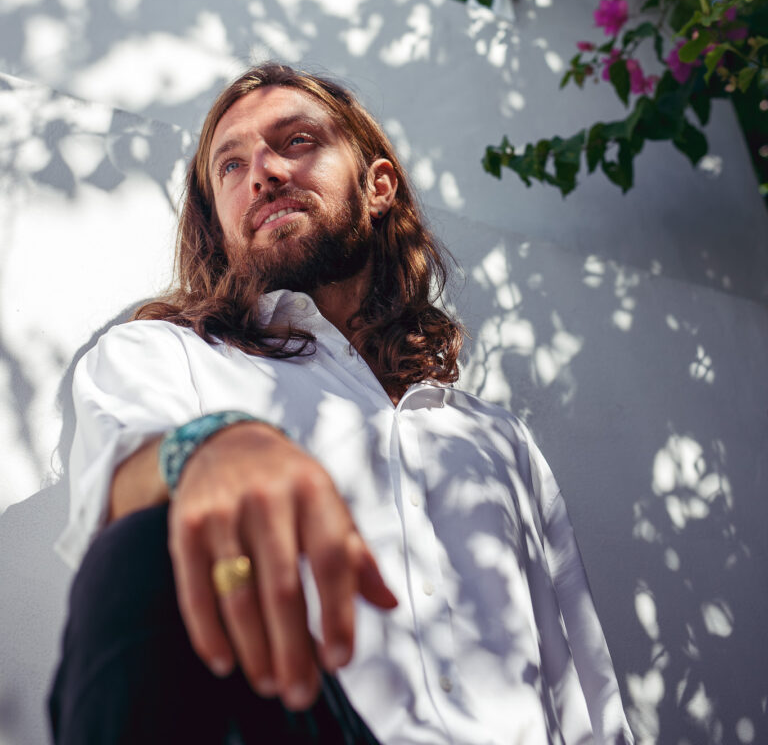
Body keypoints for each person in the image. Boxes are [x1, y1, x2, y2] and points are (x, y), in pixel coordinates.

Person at [50, 62, 634, 745]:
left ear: (377, 186)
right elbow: (119, 484)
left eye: (296, 141)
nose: (262, 172)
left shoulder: (495, 437)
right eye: (230, 167)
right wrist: (211, 444)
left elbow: (578, 679)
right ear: (220, 224)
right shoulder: (165, 355)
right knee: (146, 545)